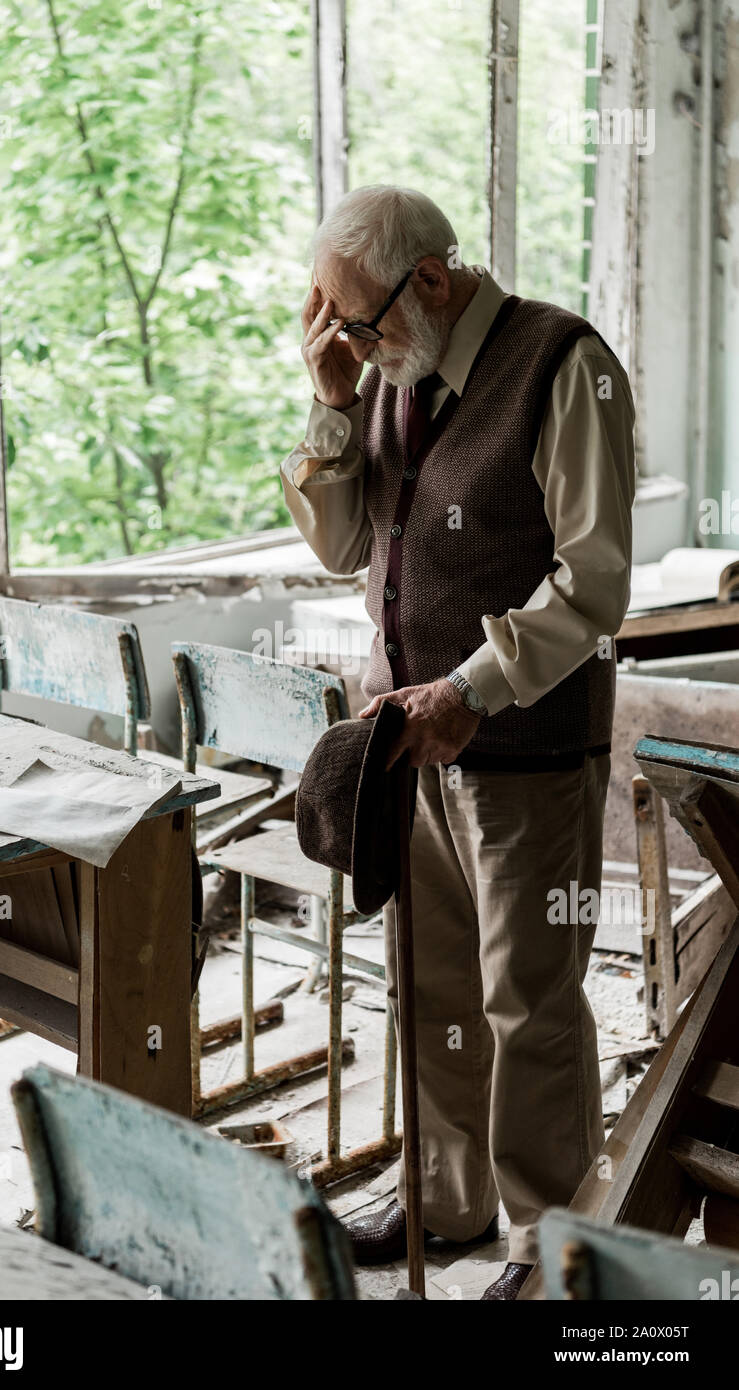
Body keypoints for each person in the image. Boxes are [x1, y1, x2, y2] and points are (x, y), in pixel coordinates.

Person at [280, 185, 635, 1300]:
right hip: (410, 744)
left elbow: (597, 584)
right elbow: (343, 548)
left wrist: (473, 689)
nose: (347, 342)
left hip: (524, 745)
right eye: (329, 325)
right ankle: (447, 1195)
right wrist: (329, 406)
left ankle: (549, 1250)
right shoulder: (390, 378)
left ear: (428, 281)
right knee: (428, 988)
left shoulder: (564, 363)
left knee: (528, 1003)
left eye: (356, 320)